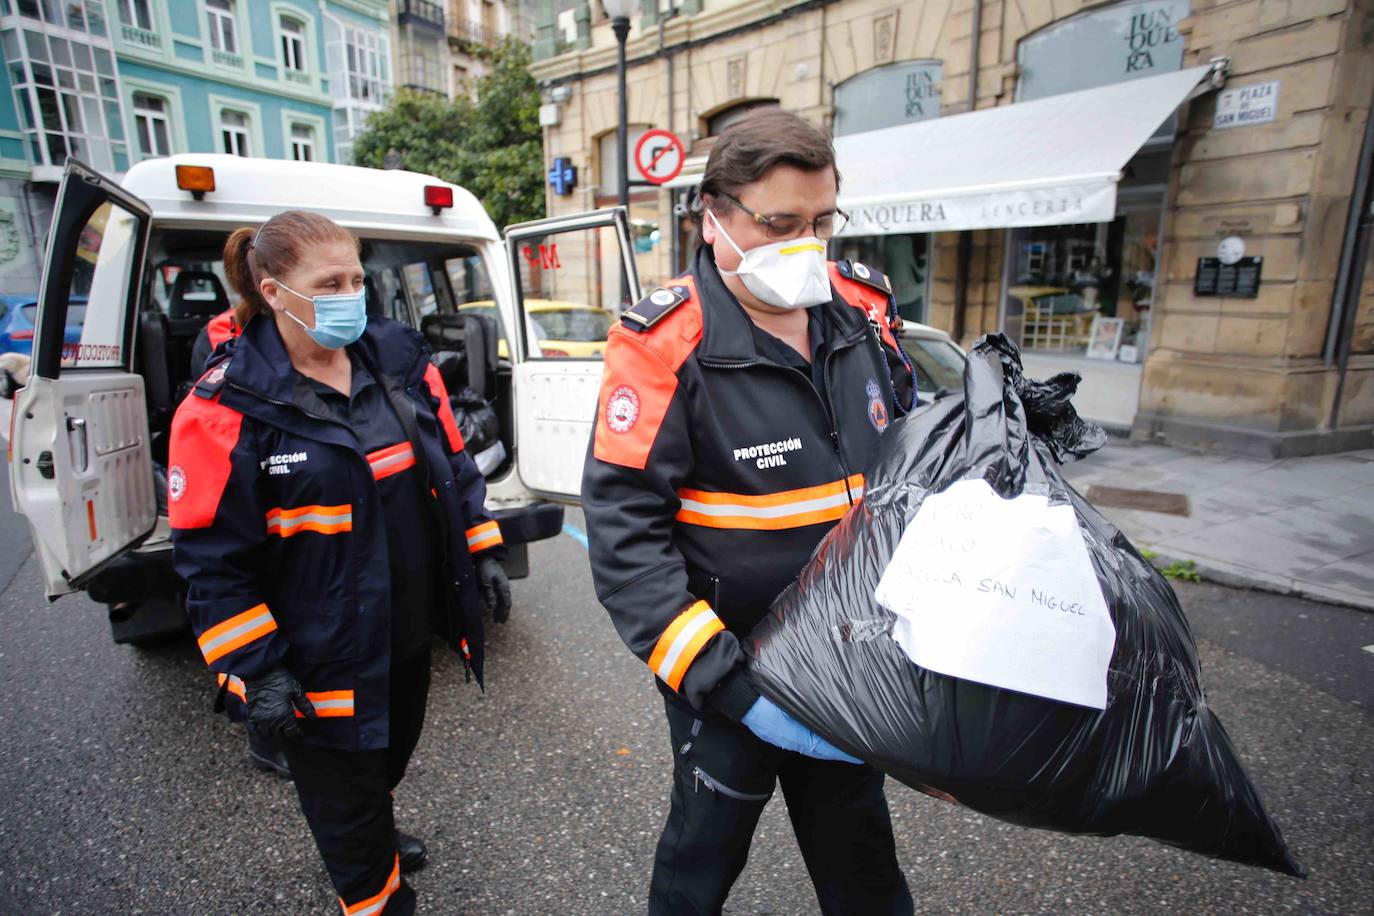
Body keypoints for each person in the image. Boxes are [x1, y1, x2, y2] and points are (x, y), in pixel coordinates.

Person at [582, 109, 916, 915]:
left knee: (863, 862)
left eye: (822, 221)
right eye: (779, 224)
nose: (807, 244)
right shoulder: (661, 343)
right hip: (731, 671)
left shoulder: (861, 309)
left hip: (847, 659)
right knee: (703, 853)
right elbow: (626, 537)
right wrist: (725, 683)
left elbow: (908, 447)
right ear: (715, 218)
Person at [169, 210, 512, 915]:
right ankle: (375, 888)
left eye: (357, 277)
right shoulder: (224, 406)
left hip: (405, 633)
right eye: (330, 282)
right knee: (349, 816)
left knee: (384, 759)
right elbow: (210, 558)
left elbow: (450, 462)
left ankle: (374, 826)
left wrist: (481, 549)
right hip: (317, 654)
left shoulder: (396, 360)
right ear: (273, 291)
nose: (351, 293)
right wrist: (254, 666)